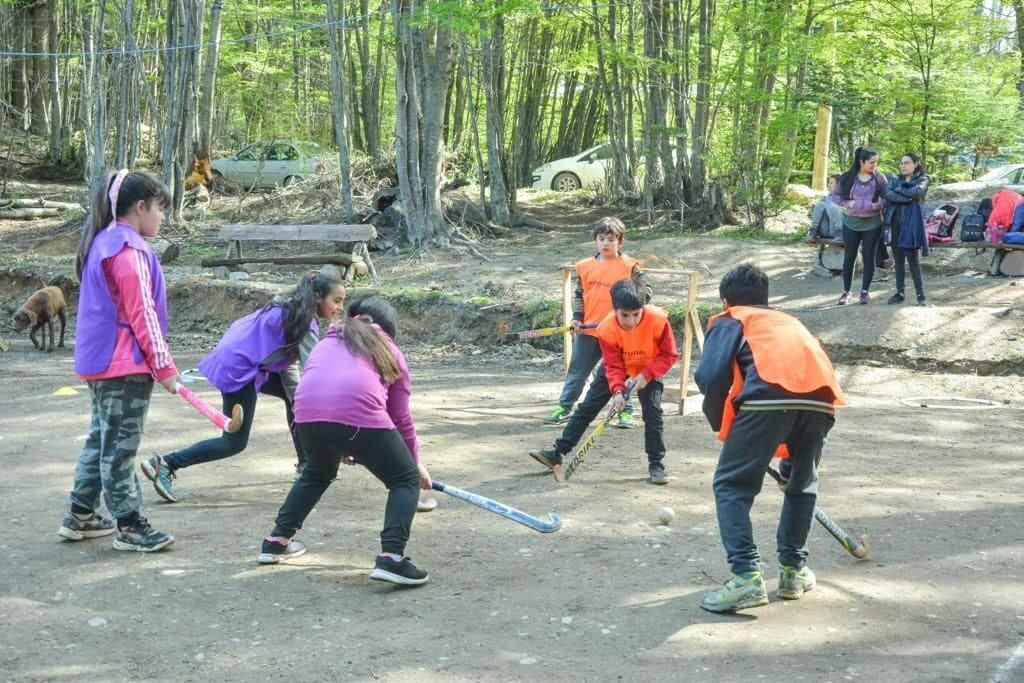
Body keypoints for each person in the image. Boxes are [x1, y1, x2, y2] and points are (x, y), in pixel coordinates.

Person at [694, 263, 845, 612]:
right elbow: (809, 385)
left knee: (731, 487)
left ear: (726, 300)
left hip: (766, 402)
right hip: (821, 404)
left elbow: (710, 378)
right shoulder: (791, 323)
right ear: (766, 298)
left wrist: (721, 427)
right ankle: (794, 572)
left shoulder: (732, 318)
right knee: (801, 485)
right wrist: (791, 463)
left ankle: (746, 577)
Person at [257, 296, 433, 586]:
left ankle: (276, 541)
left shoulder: (326, 342)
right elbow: (399, 417)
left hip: (307, 416)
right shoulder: (388, 347)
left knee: (316, 474)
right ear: (389, 328)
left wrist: (348, 443)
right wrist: (413, 464)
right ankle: (392, 557)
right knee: (404, 480)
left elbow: (324, 391)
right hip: (356, 415)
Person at [141, 273, 346, 503]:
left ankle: (306, 464)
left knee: (295, 396)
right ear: (318, 297)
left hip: (239, 362)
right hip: (239, 371)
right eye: (336, 301)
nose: (340, 308)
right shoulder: (305, 323)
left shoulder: (290, 307)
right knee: (234, 442)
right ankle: (167, 463)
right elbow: (315, 374)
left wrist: (297, 396)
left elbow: (289, 367)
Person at [58, 169, 179, 552]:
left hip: (102, 363)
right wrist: (164, 368)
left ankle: (81, 514)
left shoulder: (104, 241)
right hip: (124, 365)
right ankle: (130, 525)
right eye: (160, 209)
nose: (163, 217)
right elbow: (142, 312)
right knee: (120, 448)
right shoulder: (127, 249)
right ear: (140, 207)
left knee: (101, 438)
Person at [529, 278, 678, 485]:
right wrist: (617, 391)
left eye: (636, 314)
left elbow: (669, 354)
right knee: (587, 407)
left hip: (648, 369)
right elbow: (613, 365)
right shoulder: (607, 327)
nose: (631, 321)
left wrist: (645, 375)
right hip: (618, 367)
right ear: (615, 309)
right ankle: (557, 452)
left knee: (653, 414)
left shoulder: (658, 319)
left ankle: (656, 464)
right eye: (625, 315)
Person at [544, 217, 652, 429]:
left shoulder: (631, 266)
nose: (605, 243)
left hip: (620, 333)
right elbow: (580, 294)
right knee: (577, 371)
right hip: (589, 330)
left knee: (622, 371)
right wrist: (577, 317)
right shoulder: (584, 266)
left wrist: (625, 314)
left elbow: (645, 293)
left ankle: (625, 412)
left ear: (620, 242)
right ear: (595, 240)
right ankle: (564, 407)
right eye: (601, 238)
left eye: (610, 239)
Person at [832, 147, 888, 305]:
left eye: (876, 162)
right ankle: (846, 292)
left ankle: (865, 291)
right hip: (851, 223)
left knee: (868, 256)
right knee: (849, 256)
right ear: (861, 162)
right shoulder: (848, 177)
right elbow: (835, 196)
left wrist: (877, 205)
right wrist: (847, 203)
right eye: (871, 162)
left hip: (873, 223)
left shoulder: (879, 178)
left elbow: (888, 197)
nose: (874, 165)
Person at [884, 153, 930, 305]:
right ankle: (899, 293)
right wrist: (907, 197)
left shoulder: (923, 179)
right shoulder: (895, 179)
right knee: (898, 260)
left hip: (911, 225)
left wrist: (899, 190)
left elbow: (917, 192)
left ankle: (920, 295)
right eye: (901, 163)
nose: (903, 165)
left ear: (915, 164)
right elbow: (888, 194)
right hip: (895, 223)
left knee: (913, 261)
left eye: (907, 163)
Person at [806, 174, 844, 242]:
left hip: (837, 231)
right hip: (824, 231)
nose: (828, 185)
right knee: (820, 204)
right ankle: (813, 231)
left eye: (831, 183)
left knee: (832, 206)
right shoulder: (826, 198)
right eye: (829, 183)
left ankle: (839, 234)